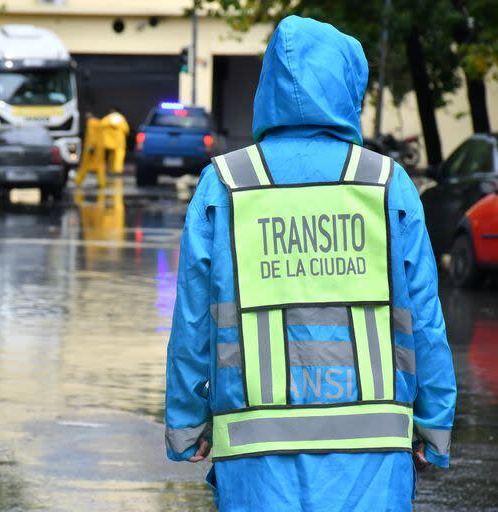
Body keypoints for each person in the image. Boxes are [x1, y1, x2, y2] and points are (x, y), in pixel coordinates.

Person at [164, 16, 456, 511]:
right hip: (373, 454)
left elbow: (194, 316)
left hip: (255, 455)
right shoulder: (387, 185)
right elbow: (422, 317)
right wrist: (433, 423)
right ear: (348, 87)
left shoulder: (226, 184)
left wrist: (187, 423)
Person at [100, 107, 129, 174]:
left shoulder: (107, 118)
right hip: (119, 142)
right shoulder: (121, 119)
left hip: (109, 142)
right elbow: (126, 129)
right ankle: (118, 170)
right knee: (119, 156)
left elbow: (100, 125)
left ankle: (111, 169)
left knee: (111, 156)